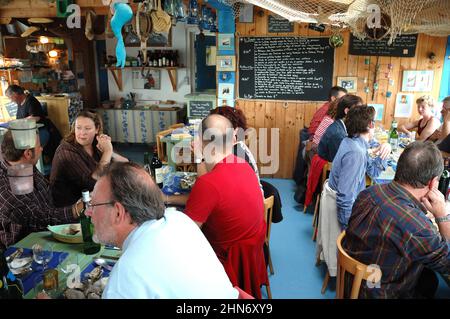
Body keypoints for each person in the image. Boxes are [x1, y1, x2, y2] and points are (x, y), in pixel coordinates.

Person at [85, 162, 238, 299]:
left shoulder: (124, 280)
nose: (87, 212)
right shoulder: (178, 218)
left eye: (93, 205)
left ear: (118, 213)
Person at [342, 141, 450, 298]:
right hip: (379, 292)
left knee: (428, 279)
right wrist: (443, 216)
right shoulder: (417, 227)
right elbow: (447, 263)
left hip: (352, 281)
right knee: (431, 280)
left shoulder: (368, 192)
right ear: (432, 182)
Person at [183, 114, 268, 298]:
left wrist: (199, 157)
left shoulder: (207, 185)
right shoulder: (243, 165)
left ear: (201, 141)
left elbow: (187, 237)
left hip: (224, 263)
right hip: (249, 253)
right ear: (233, 139)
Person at [0, 130, 81, 249]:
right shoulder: (4, 187)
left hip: (49, 233)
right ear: (28, 153)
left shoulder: (26, 166)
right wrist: (76, 209)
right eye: (39, 146)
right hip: (25, 249)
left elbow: (48, 200)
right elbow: (37, 217)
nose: (42, 149)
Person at [50, 110, 128, 207]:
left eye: (87, 128)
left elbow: (125, 163)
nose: (82, 133)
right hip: (70, 208)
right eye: (78, 128)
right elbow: (93, 184)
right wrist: (107, 152)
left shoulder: (95, 143)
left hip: (91, 200)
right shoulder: (66, 152)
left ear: (97, 129)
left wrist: (109, 150)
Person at [328, 105, 383, 229]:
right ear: (371, 125)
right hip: (348, 211)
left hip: (354, 202)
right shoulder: (356, 153)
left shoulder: (352, 141)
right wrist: (350, 228)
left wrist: (384, 151)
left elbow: (373, 172)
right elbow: (345, 198)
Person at [5, 85, 62, 165]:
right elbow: (19, 118)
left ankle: (34, 166)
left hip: (41, 131)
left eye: (10, 98)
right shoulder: (19, 104)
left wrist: (20, 121)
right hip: (28, 133)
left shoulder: (31, 101)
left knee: (28, 149)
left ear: (15, 94)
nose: (11, 100)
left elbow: (36, 117)